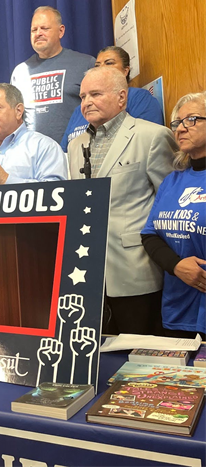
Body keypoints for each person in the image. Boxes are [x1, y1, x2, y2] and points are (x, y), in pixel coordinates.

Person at [68, 66, 177, 335]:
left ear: (121, 97)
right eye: (82, 97)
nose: (87, 102)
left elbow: (169, 205)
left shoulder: (152, 136)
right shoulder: (74, 146)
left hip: (135, 271)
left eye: (95, 94)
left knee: (138, 360)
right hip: (86, 274)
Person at [142, 92, 206, 338]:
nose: (180, 128)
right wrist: (176, 265)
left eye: (191, 119)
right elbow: (150, 235)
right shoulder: (172, 181)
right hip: (177, 311)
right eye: (177, 123)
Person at [11, 6, 95, 144]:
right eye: (34, 30)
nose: (38, 33)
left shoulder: (86, 64)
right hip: (33, 156)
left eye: (44, 28)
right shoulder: (20, 73)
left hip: (77, 152)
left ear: (61, 31)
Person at [61, 46, 164, 151]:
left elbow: (148, 142)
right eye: (97, 65)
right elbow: (65, 152)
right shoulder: (80, 110)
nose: (101, 68)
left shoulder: (139, 98)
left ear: (125, 70)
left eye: (109, 63)